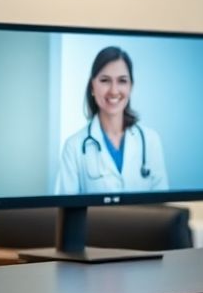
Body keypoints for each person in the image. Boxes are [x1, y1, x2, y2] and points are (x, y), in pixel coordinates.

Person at [57, 46, 169, 194]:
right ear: (92, 87)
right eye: (105, 80)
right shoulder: (73, 147)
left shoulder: (150, 140)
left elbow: (163, 208)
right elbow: (66, 212)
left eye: (122, 81)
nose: (114, 90)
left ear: (131, 87)